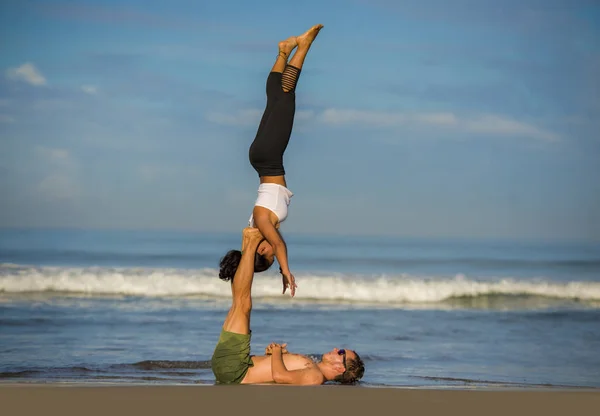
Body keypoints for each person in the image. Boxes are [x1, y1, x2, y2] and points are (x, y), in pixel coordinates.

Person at [218, 24, 325, 297]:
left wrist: (286, 271)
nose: (273, 250)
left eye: (270, 256)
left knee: (286, 99)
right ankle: (284, 51)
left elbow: (279, 245)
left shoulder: (261, 223)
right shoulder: (257, 226)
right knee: (276, 99)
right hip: (264, 158)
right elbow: (276, 244)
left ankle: (304, 47)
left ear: (263, 251)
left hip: (269, 158)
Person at [211, 227, 365, 385]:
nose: (335, 349)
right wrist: (278, 354)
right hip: (232, 366)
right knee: (239, 303)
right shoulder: (313, 369)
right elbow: (279, 372)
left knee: (242, 304)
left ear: (341, 368)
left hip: (235, 369)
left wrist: (277, 353)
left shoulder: (316, 377)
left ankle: (251, 242)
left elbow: (280, 376)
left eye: (340, 352)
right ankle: (249, 241)